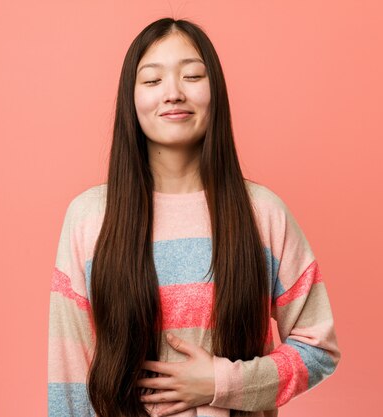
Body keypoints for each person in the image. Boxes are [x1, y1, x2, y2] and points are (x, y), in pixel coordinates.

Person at [47, 17, 341, 417]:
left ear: (215, 91)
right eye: (152, 81)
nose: (173, 93)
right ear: (130, 101)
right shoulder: (90, 219)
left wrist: (222, 384)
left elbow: (318, 348)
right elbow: (69, 378)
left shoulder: (263, 213)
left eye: (192, 76)